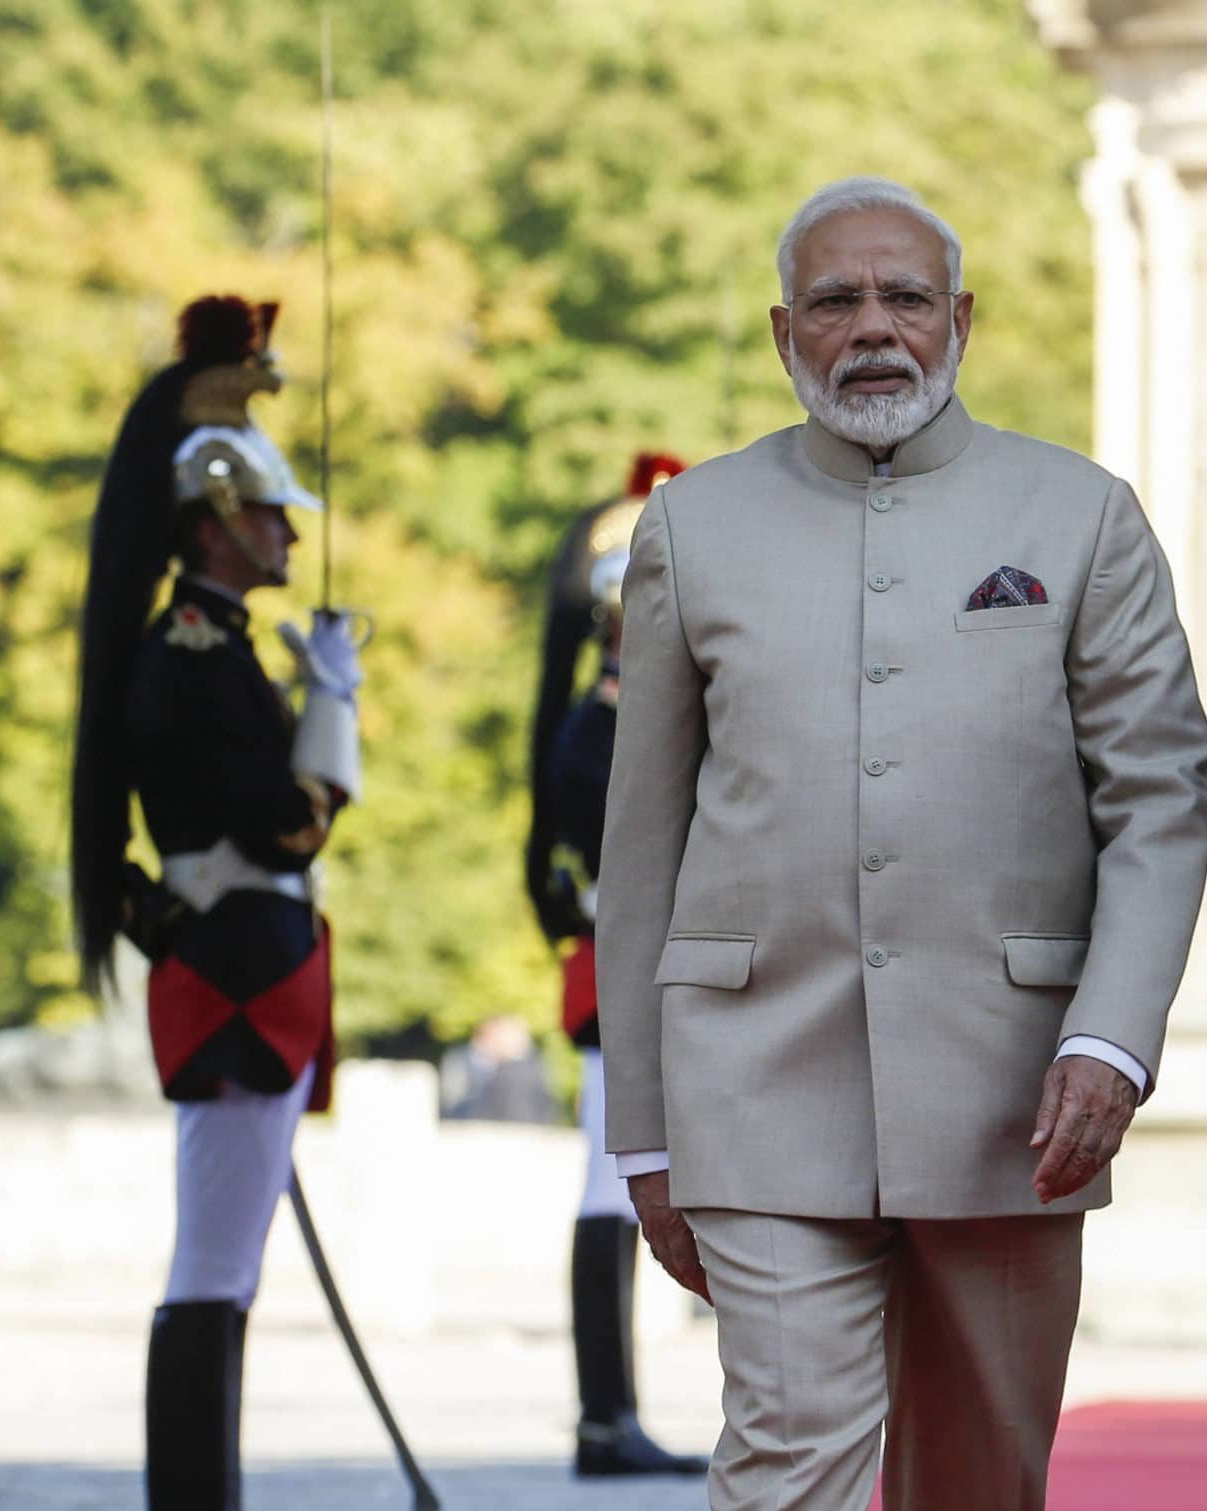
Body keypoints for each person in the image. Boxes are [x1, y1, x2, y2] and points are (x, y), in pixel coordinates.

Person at [597, 176, 1207, 1511]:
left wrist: (1109, 1038)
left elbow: (1158, 798)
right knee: (786, 1457)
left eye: (904, 298)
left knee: (979, 1481)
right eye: (835, 301)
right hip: (753, 1081)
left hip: (1014, 1097)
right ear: (783, 333)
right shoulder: (689, 527)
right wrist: (639, 1130)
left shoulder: (1081, 514)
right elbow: (639, 847)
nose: (872, 328)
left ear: (961, 320)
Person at [67, 294, 366, 1510]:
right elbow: (286, 817)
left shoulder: (218, 645)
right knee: (211, 1269)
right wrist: (333, 706)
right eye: (275, 515)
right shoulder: (193, 655)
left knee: (224, 1268)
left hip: (242, 964)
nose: (292, 534)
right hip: (241, 974)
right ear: (224, 518)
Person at [525, 452, 706, 1477]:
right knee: (609, 1183)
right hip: (622, 968)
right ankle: (603, 1412)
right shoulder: (598, 729)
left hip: (658, 964)